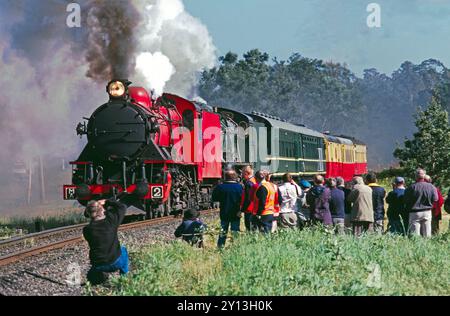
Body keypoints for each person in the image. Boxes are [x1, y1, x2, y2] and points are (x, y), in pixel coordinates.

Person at [83, 198, 129, 285]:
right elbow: (122, 207)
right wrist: (107, 201)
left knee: (93, 271)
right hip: (115, 262)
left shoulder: (86, 230)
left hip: (98, 265)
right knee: (123, 250)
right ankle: (124, 279)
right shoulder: (111, 221)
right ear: (102, 211)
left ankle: (98, 277)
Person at [212, 170, 243, 248]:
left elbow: (214, 198)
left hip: (224, 212)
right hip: (236, 213)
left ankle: (220, 246)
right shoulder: (239, 187)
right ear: (235, 177)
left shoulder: (220, 187)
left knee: (223, 231)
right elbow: (243, 200)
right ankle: (235, 247)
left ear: (225, 177)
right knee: (235, 231)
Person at [404, 169, 438, 238]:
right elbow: (436, 199)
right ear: (424, 176)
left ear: (416, 176)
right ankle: (427, 248)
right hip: (427, 211)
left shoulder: (411, 187)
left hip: (415, 212)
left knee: (415, 236)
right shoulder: (431, 186)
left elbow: (406, 200)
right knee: (427, 235)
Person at [240, 165, 257, 231]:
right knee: (254, 227)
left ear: (246, 173)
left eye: (242, 173)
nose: (242, 175)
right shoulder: (255, 180)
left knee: (249, 227)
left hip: (249, 209)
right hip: (254, 208)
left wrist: (242, 210)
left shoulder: (249, 183)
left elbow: (248, 198)